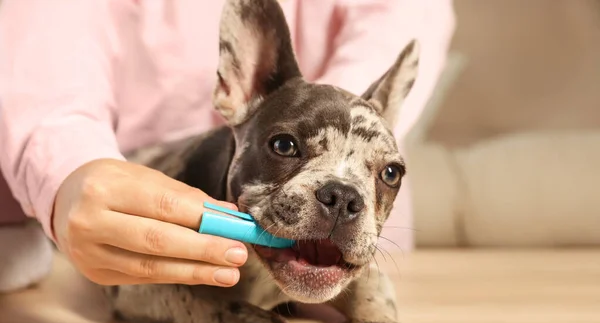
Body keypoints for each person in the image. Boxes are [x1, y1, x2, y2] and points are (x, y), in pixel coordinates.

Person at [0, 0, 455, 292]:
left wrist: (336, 119)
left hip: (348, 274)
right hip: (124, 242)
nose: (340, 196)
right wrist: (68, 168)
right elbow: (42, 30)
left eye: (386, 173)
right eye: (286, 145)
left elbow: (405, 13)